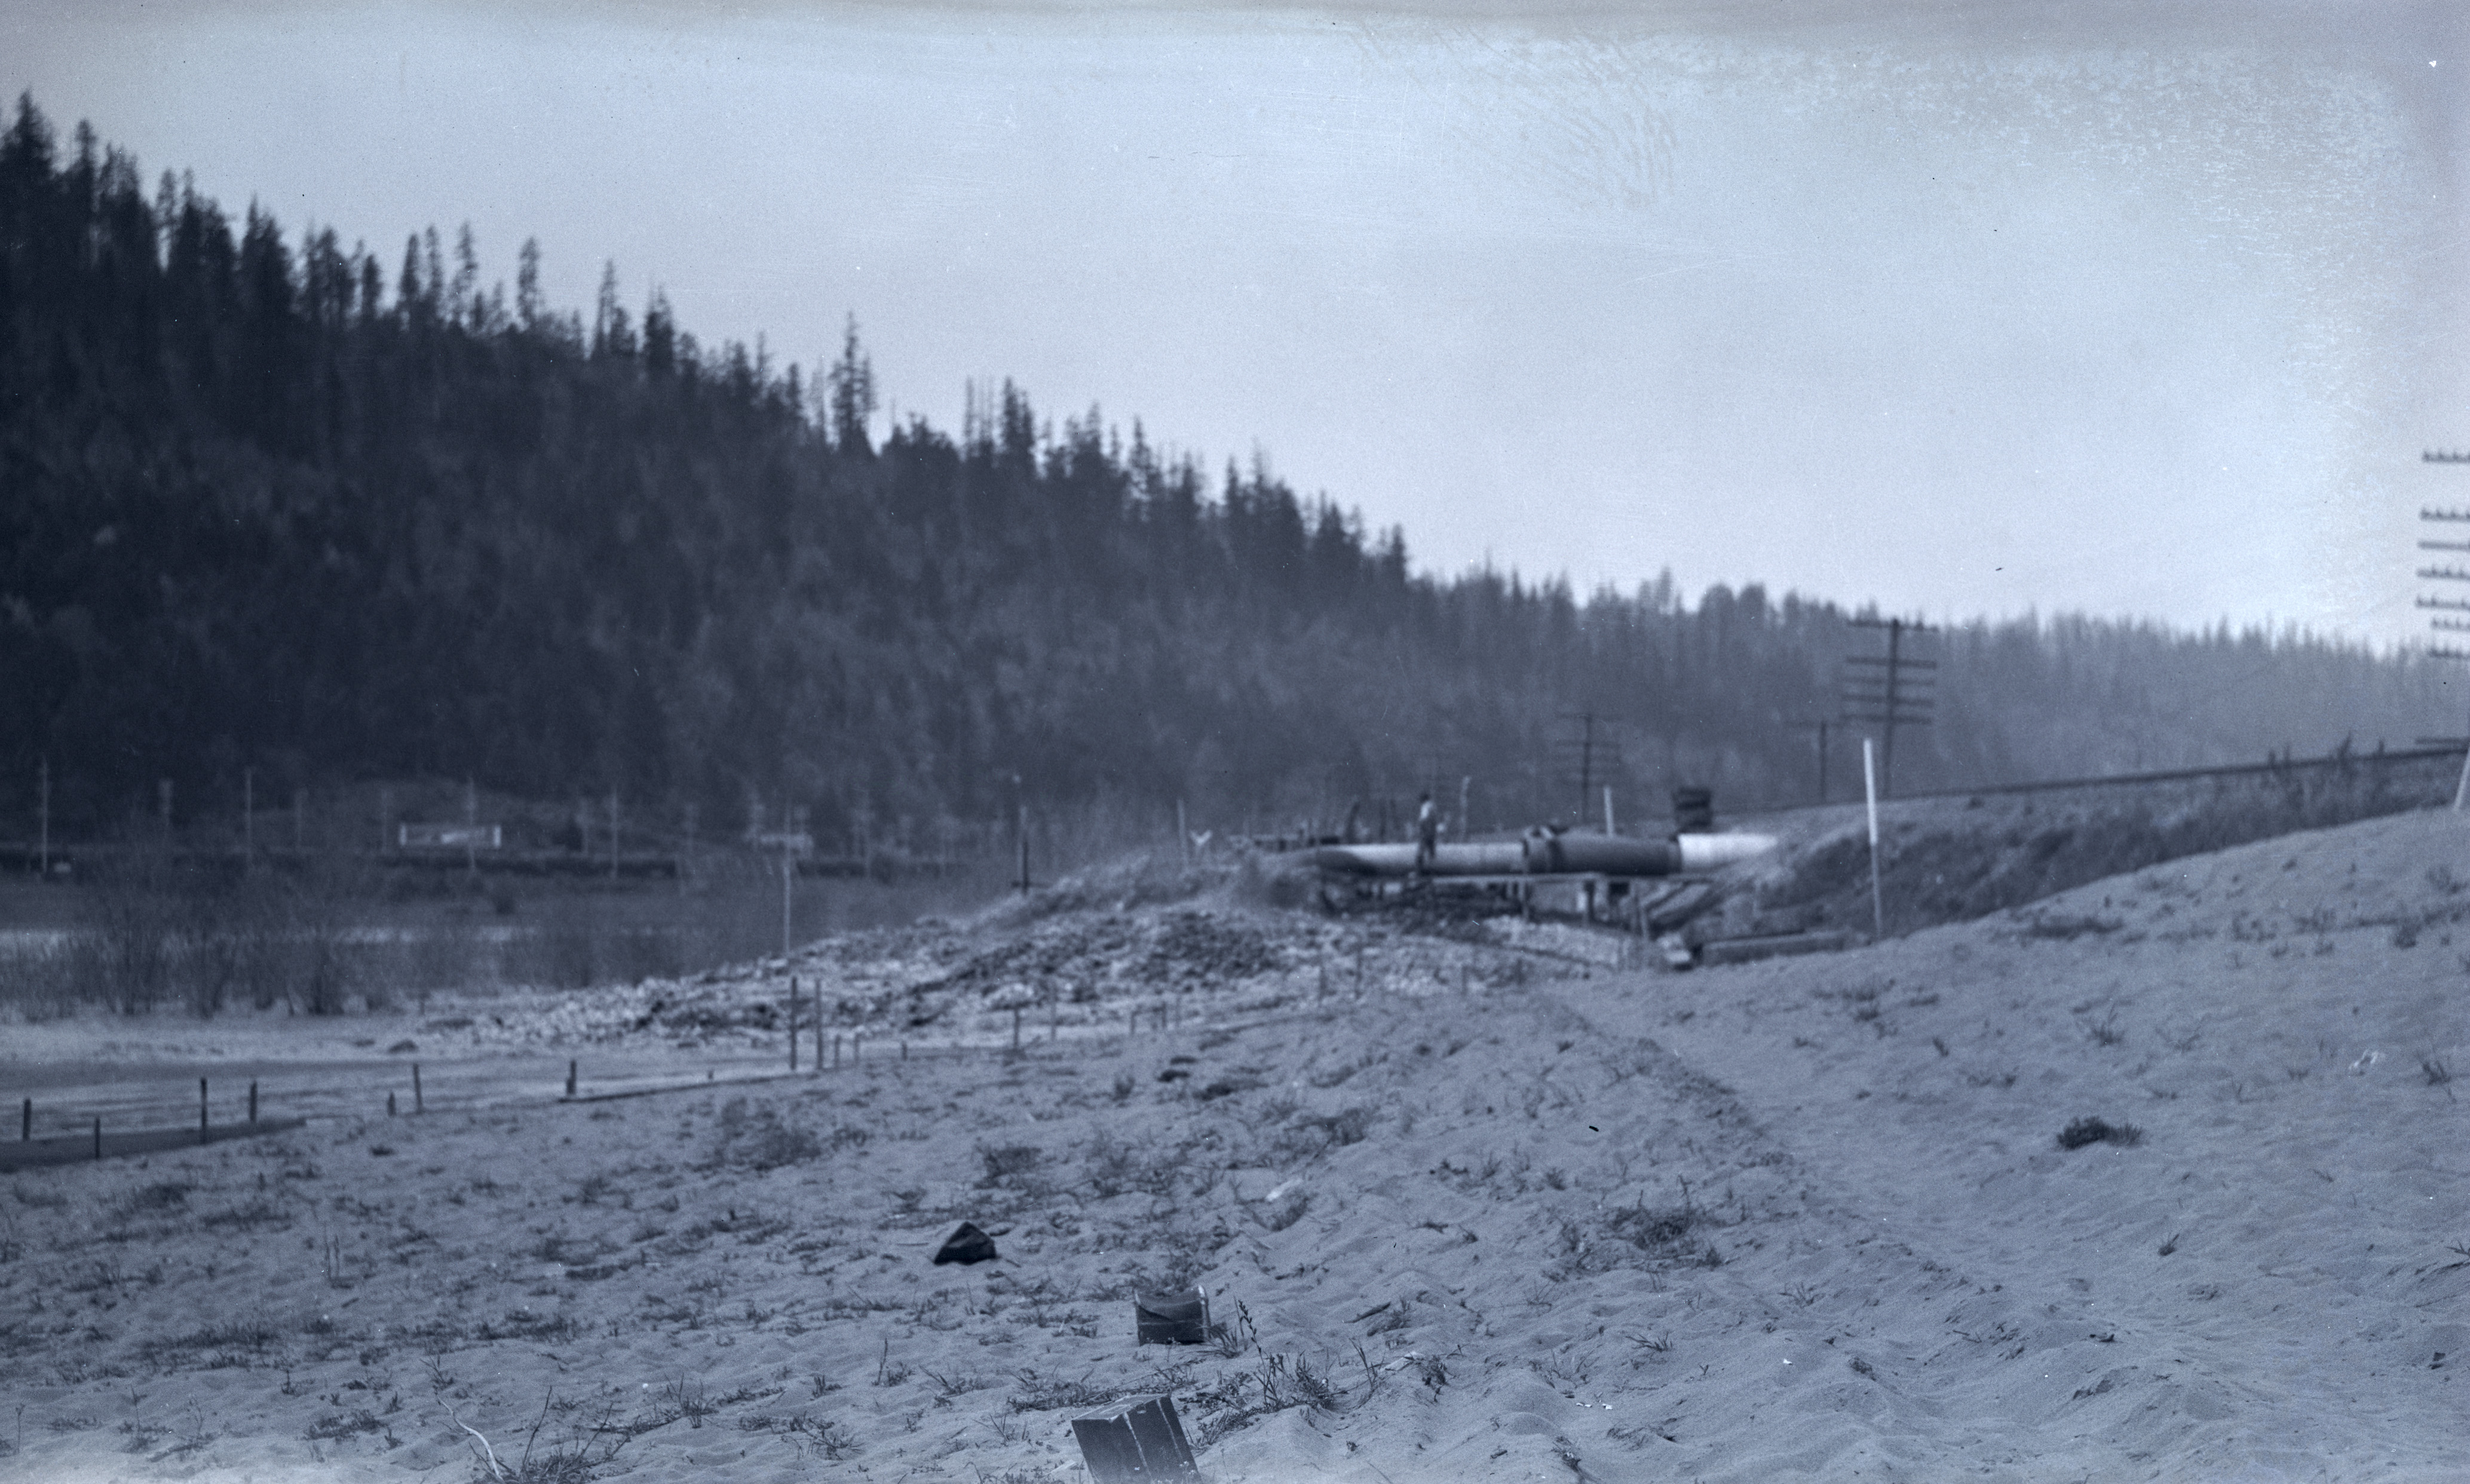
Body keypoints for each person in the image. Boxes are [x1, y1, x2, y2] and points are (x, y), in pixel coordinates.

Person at [1415, 792, 1439, 872]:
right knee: (1431, 851)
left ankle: (1420, 871)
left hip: (1425, 832)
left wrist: (1420, 828)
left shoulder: (1426, 807)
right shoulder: (1433, 806)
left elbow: (1423, 819)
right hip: (1432, 832)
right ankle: (1433, 870)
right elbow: (1434, 820)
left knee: (1421, 851)